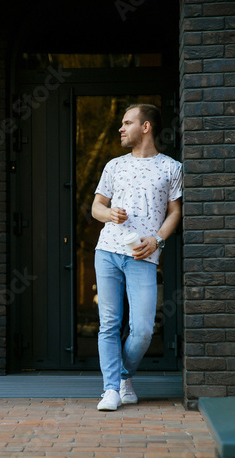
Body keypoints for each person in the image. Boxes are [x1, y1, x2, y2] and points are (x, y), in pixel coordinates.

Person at [92, 104, 182, 411]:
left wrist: (157, 240)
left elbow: (175, 212)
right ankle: (111, 390)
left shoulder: (171, 167)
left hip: (143, 255)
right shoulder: (114, 166)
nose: (121, 128)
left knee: (143, 328)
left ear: (146, 127)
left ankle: (122, 377)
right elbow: (96, 208)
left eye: (127, 122)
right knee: (109, 324)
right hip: (107, 252)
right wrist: (110, 213)